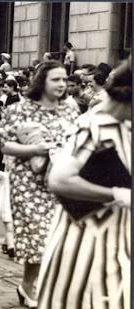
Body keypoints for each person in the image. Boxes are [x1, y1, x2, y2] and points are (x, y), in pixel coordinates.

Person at [38, 56, 131, 309]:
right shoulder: (93, 125)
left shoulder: (125, 127)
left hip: (116, 245)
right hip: (82, 248)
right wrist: (117, 194)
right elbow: (59, 180)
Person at [0, 60, 79, 308]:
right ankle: (31, 285)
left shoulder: (70, 110)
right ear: (41, 81)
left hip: (61, 181)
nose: (62, 84)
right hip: (29, 184)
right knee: (38, 237)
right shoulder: (19, 110)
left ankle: (31, 285)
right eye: (56, 79)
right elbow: (5, 145)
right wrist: (34, 148)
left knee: (58, 238)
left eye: (64, 80)